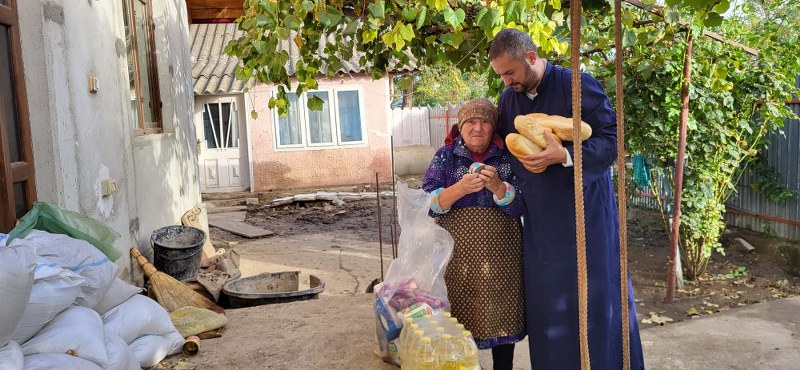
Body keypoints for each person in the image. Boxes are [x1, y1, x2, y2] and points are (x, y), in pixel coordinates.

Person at [488, 28, 645, 369]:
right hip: (540, 222)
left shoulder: (578, 84)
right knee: (550, 308)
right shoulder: (508, 101)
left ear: (531, 57)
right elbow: (503, 152)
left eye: (510, 73)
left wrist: (567, 156)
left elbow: (612, 140)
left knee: (594, 300)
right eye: (500, 75)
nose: (505, 82)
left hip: (587, 216)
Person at [422, 98, 525, 370]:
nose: (477, 128)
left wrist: (499, 187)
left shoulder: (508, 157)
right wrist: (460, 189)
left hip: (501, 260)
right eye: (470, 121)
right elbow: (427, 205)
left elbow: (520, 206)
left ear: (493, 127)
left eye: (484, 122)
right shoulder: (445, 156)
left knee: (501, 320)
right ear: (460, 126)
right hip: (457, 260)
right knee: (457, 325)